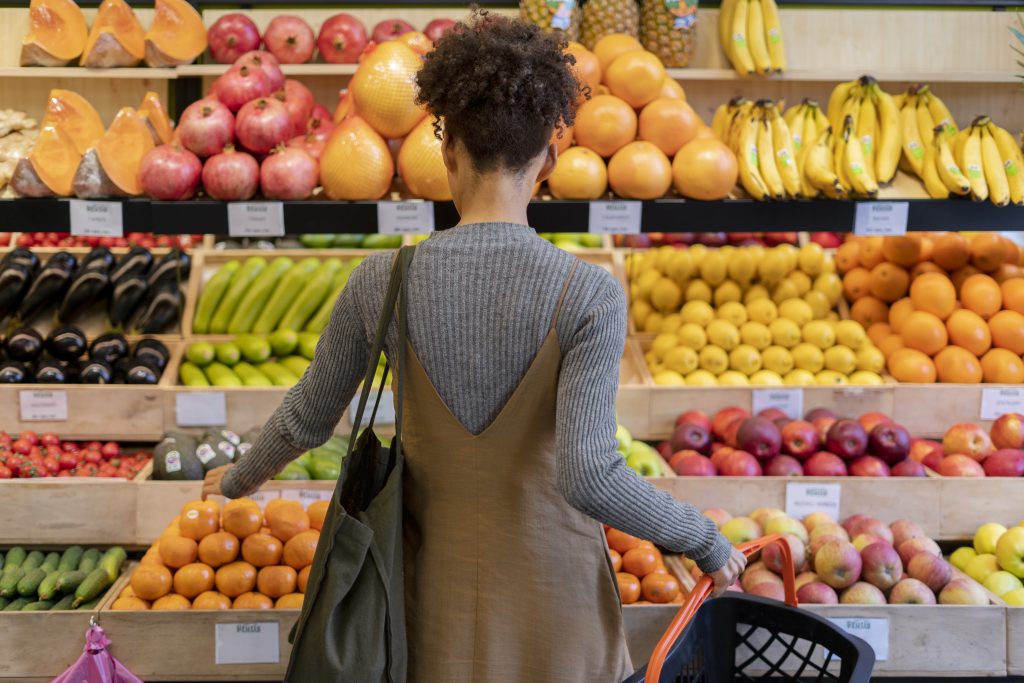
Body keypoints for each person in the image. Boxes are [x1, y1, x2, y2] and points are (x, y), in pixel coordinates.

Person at [203, 10, 744, 682]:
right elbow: (590, 474)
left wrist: (235, 479)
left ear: (447, 146)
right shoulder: (588, 293)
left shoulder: (383, 280)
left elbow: (308, 416)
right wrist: (703, 540)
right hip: (558, 614)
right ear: (550, 155)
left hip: (427, 611)